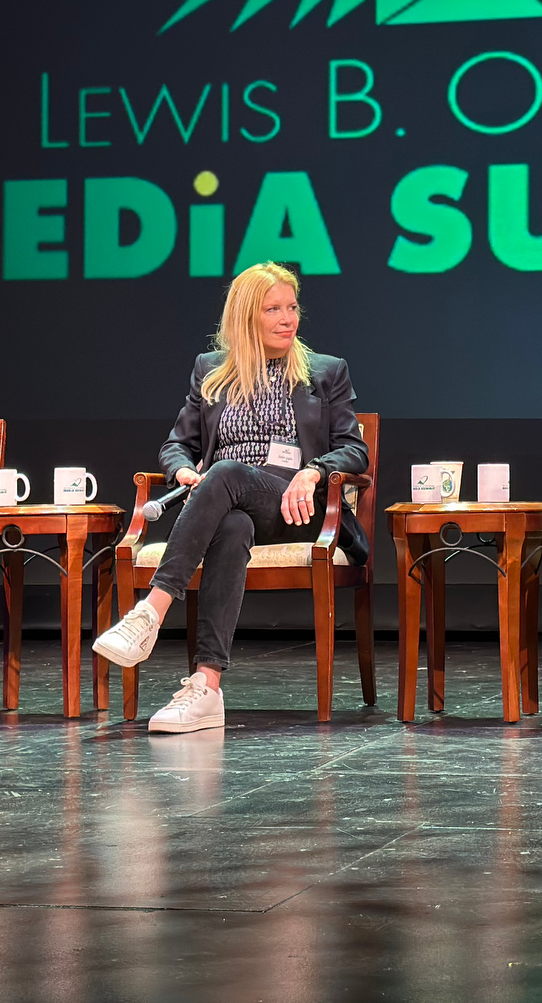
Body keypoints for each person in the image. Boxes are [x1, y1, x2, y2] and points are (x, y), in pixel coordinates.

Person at [94, 262, 369, 733]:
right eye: (273, 309)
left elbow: (354, 448)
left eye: (292, 307)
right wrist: (180, 469)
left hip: (295, 509)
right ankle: (206, 688)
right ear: (245, 317)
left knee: (223, 472)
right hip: (232, 507)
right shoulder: (211, 371)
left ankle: (151, 610)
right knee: (231, 521)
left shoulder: (325, 371)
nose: (288, 318)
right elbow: (177, 444)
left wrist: (314, 470)